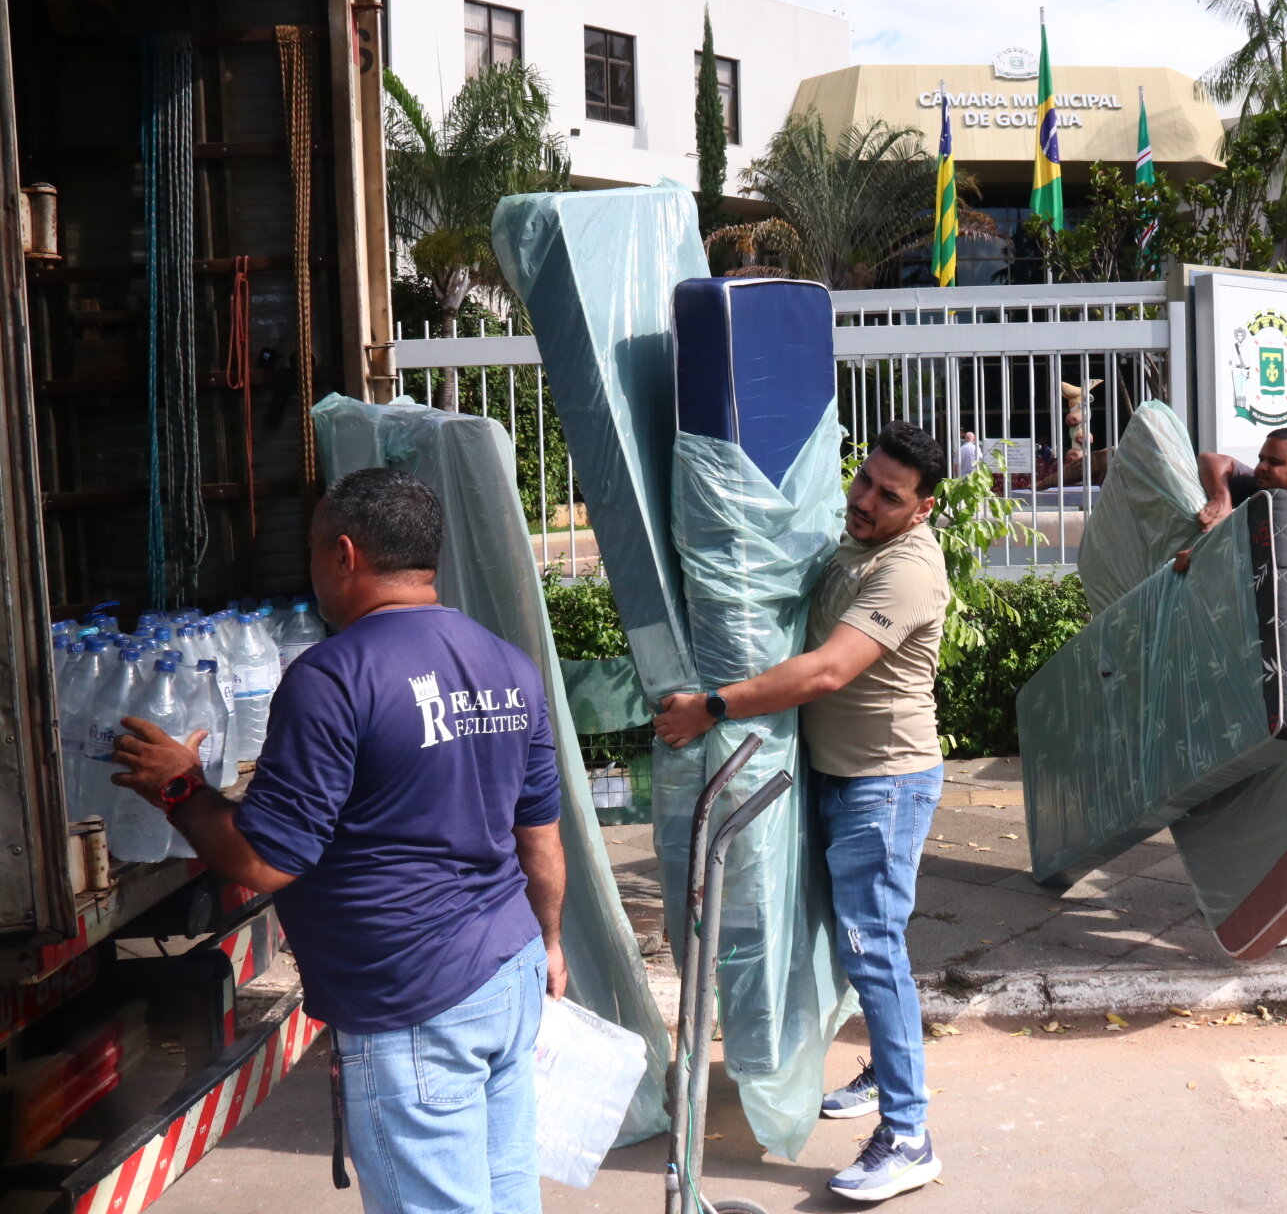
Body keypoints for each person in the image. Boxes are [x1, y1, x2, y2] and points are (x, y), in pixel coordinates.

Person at [110, 469, 566, 1214]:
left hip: (413, 995)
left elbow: (265, 861)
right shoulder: (509, 664)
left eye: (314, 548)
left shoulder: (334, 676)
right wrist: (549, 943)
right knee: (506, 1196)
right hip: (510, 968)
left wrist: (179, 788)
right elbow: (540, 836)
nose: (312, 565)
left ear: (345, 554)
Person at [654, 420, 952, 1203]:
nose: (866, 500)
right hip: (837, 776)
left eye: (889, 496)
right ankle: (885, 1071)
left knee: (873, 949)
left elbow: (825, 672)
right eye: (864, 479)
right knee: (852, 946)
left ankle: (909, 1135)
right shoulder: (857, 543)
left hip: (884, 785)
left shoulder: (909, 570)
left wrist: (712, 707)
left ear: (921, 509)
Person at [1189, 428, 1287, 560]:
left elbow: (1260, 565)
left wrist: (1197, 556)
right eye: (1261, 459)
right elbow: (1210, 460)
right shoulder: (1265, 487)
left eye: (1274, 462)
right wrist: (1221, 498)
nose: (1262, 467)